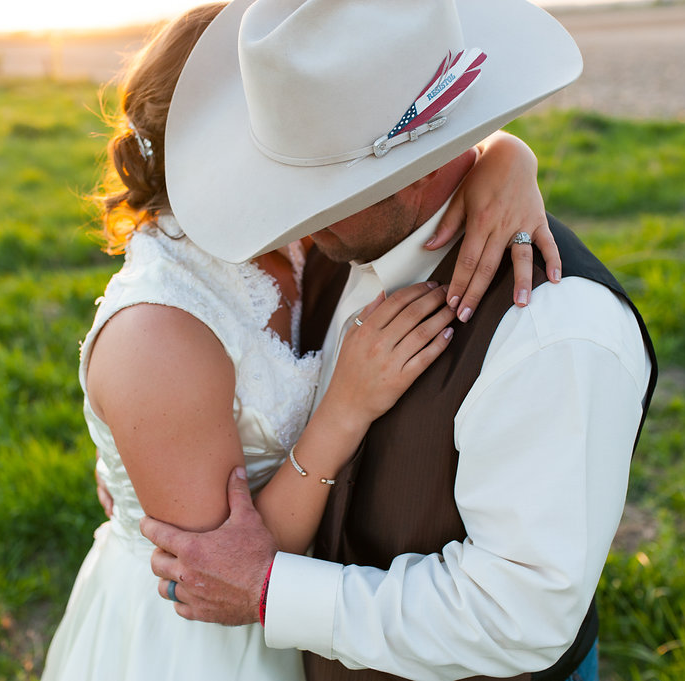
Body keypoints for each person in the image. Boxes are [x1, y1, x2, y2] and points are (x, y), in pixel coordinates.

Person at [138, 1, 659, 681]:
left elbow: (521, 615)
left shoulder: (555, 334)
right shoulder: (330, 238)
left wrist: (270, 591)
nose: (290, 215)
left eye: (320, 189)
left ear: (412, 169)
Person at [41, 3, 562, 680]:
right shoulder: (159, 334)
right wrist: (344, 407)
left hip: (299, 620)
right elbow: (223, 570)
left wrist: (506, 159)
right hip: (201, 642)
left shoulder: (289, 224)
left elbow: (394, 159)